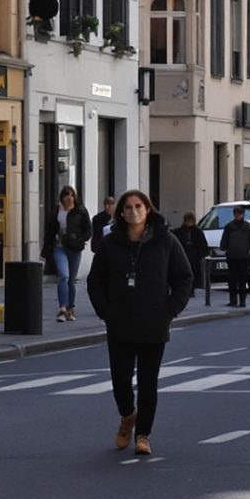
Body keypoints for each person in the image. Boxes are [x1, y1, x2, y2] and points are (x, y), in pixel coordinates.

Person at [86, 189, 195, 456]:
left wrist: (169, 310)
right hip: (120, 324)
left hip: (153, 325)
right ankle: (127, 416)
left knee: (148, 383)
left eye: (138, 206)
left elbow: (184, 278)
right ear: (121, 213)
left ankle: (143, 435)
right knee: (120, 380)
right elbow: (95, 281)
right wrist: (105, 311)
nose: (133, 211)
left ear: (148, 209)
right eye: (128, 208)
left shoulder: (166, 241)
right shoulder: (110, 245)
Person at [43, 187, 92, 322]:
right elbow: (49, 230)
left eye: (71, 195)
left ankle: (71, 308)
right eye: (66, 195)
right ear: (62, 197)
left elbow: (88, 229)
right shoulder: (56, 211)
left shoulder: (80, 211)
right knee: (64, 276)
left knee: (71, 280)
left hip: (75, 249)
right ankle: (62, 309)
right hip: (59, 247)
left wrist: (80, 239)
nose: (69, 198)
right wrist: (46, 248)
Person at [218, 208, 250, 306]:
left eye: (240, 213)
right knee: (232, 280)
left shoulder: (248, 227)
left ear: (243, 214)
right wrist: (224, 248)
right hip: (232, 256)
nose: (238, 215)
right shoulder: (229, 226)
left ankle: (242, 301)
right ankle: (233, 300)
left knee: (242, 280)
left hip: (244, 257)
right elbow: (224, 240)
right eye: (236, 213)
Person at [174, 212, 211, 298]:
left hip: (194, 258)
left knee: (193, 274)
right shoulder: (180, 231)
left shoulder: (197, 232)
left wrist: (201, 254)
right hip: (184, 256)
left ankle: (191, 290)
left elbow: (203, 245)